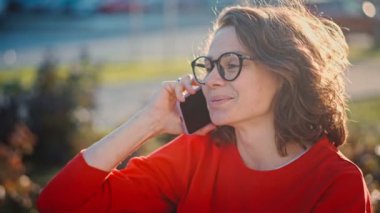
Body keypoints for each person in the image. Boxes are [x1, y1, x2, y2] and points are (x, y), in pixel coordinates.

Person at [37, 0, 373, 212]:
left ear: (283, 72)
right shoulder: (196, 153)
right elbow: (59, 203)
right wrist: (149, 121)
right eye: (208, 65)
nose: (210, 79)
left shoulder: (335, 183)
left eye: (230, 64)